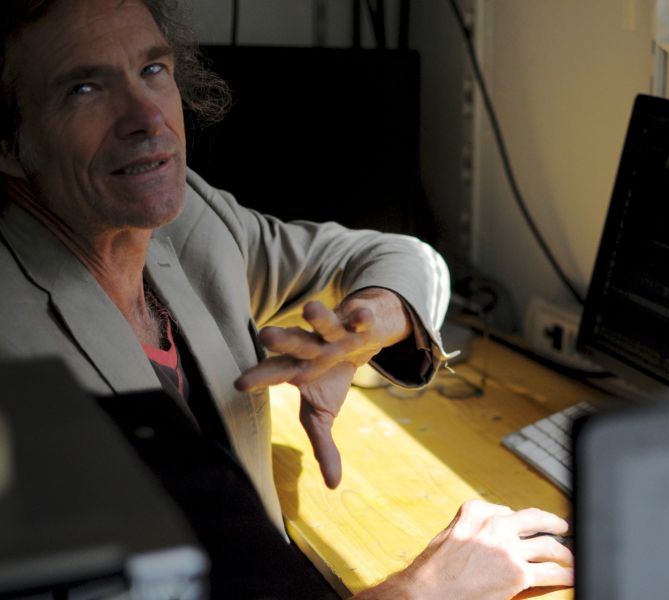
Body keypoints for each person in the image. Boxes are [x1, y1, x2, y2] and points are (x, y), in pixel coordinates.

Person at [0, 0, 573, 598]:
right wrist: (428, 587)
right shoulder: (18, 369)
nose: (148, 117)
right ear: (7, 142)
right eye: (85, 89)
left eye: (152, 70)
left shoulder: (190, 221)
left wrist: (370, 322)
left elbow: (392, 254)